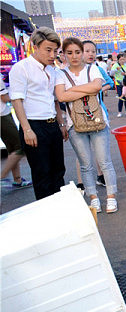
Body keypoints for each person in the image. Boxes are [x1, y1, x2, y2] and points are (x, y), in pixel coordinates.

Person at [55, 37, 118, 213]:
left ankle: (111, 197)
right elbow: (61, 97)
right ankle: (93, 197)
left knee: (104, 161)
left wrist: (72, 90)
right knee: (86, 164)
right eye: (69, 53)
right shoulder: (60, 74)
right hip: (74, 124)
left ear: (82, 52)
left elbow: (97, 87)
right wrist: (86, 88)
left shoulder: (93, 69)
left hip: (98, 121)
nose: (74, 56)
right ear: (63, 54)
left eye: (77, 52)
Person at [9, 27, 68, 200]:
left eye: (55, 51)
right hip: (34, 125)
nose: (52, 55)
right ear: (35, 46)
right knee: (42, 173)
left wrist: (61, 123)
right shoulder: (21, 68)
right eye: (48, 50)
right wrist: (27, 129)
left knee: (58, 170)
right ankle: (47, 213)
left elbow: (55, 100)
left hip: (53, 125)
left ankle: (60, 207)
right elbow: (16, 100)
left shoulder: (52, 70)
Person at [82, 40, 115, 187]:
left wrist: (98, 89)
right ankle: (81, 183)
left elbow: (110, 83)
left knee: (101, 151)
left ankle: (104, 180)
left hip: (98, 113)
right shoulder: (72, 71)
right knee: (83, 153)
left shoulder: (96, 69)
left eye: (93, 51)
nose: (91, 54)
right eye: (86, 51)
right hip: (80, 116)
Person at [0, 79, 32, 188]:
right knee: (20, 146)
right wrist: (17, 96)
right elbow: (4, 98)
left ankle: (17, 179)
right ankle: (2, 176)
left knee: (12, 149)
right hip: (2, 115)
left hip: (3, 115)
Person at [111, 53, 126, 117]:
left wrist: (125, 74)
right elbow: (111, 73)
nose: (122, 61)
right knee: (121, 97)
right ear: (118, 60)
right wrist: (116, 69)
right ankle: (119, 112)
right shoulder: (115, 65)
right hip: (119, 84)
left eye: (123, 59)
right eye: (121, 59)